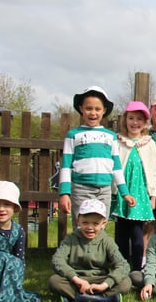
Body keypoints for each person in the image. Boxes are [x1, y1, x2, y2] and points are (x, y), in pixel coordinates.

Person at [58, 86, 136, 226]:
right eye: (88, 108)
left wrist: (125, 193)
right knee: (81, 228)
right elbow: (66, 166)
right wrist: (64, 193)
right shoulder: (73, 135)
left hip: (104, 190)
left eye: (97, 109)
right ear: (81, 108)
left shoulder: (110, 136)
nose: (93, 113)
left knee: (100, 228)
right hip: (81, 189)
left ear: (104, 110)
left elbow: (116, 167)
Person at [49, 199, 131, 302]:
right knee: (54, 281)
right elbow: (57, 260)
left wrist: (105, 285)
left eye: (95, 223)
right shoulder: (70, 239)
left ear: (103, 223)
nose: (90, 227)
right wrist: (77, 280)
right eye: (85, 222)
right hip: (77, 280)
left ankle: (80, 298)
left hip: (100, 279)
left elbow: (123, 265)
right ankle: (103, 299)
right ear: (78, 221)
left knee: (126, 282)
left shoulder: (107, 241)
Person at [112, 101, 156, 271]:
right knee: (121, 234)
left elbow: (154, 170)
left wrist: (153, 195)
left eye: (139, 119)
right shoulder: (118, 142)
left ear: (145, 122)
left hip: (140, 194)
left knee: (138, 234)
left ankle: (137, 269)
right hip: (122, 192)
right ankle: (122, 269)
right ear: (125, 120)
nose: (135, 122)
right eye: (131, 118)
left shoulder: (148, 143)